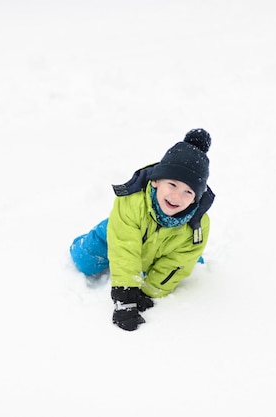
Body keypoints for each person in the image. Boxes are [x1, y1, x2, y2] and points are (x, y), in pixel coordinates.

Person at [69, 128, 215, 331]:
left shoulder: (197, 226)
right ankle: (103, 231)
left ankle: (185, 259)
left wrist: (148, 292)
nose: (177, 197)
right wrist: (126, 295)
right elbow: (124, 249)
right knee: (84, 262)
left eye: (188, 192)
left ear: (196, 198)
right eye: (172, 184)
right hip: (121, 235)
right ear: (156, 181)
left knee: (182, 263)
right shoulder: (132, 202)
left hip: (162, 249)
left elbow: (175, 265)